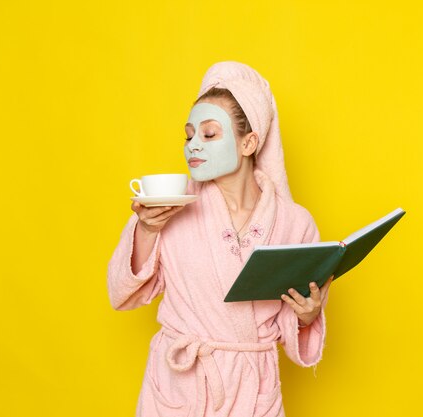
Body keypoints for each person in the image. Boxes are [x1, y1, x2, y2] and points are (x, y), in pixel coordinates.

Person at [107, 61, 333, 417]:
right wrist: (147, 230)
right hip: (181, 388)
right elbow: (122, 293)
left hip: (253, 389)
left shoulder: (295, 223)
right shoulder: (167, 207)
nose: (193, 146)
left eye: (209, 135)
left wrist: (307, 316)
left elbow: (292, 317)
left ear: (249, 143)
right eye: (189, 135)